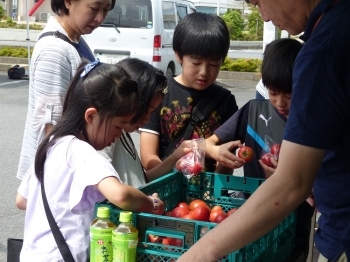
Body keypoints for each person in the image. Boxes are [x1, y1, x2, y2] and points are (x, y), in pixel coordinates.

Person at [177, 0, 350, 261]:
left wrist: (201, 253)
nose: (265, 17)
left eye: (259, 2)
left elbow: (292, 184)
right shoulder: (339, 25)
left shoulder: (324, 50)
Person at [15, 60, 165, 261]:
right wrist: (151, 203)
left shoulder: (51, 144)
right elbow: (120, 194)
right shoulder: (83, 152)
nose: (118, 135)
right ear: (91, 116)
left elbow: (22, 200)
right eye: (118, 127)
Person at [205, 38, 314, 261]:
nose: (280, 102)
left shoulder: (309, 124)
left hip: (296, 221)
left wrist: (286, 178)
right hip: (251, 214)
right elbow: (207, 143)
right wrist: (219, 153)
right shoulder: (253, 111)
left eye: (289, 95)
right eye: (273, 92)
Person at [16, 0, 115, 180]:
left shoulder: (75, 39)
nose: (100, 18)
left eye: (106, 10)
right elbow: (52, 130)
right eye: (94, 8)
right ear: (68, 1)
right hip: (57, 177)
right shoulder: (55, 50)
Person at [139, 12, 239, 174]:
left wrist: (211, 191)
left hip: (207, 191)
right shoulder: (159, 94)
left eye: (214, 64)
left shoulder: (226, 101)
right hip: (167, 185)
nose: (204, 72)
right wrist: (172, 177)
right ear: (178, 54)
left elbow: (226, 159)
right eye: (196, 62)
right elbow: (148, 156)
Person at [100, 58, 192, 187]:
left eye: (152, 112)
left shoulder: (123, 134)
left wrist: (176, 156)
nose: (148, 119)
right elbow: (110, 189)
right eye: (146, 110)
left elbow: (140, 181)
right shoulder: (106, 139)